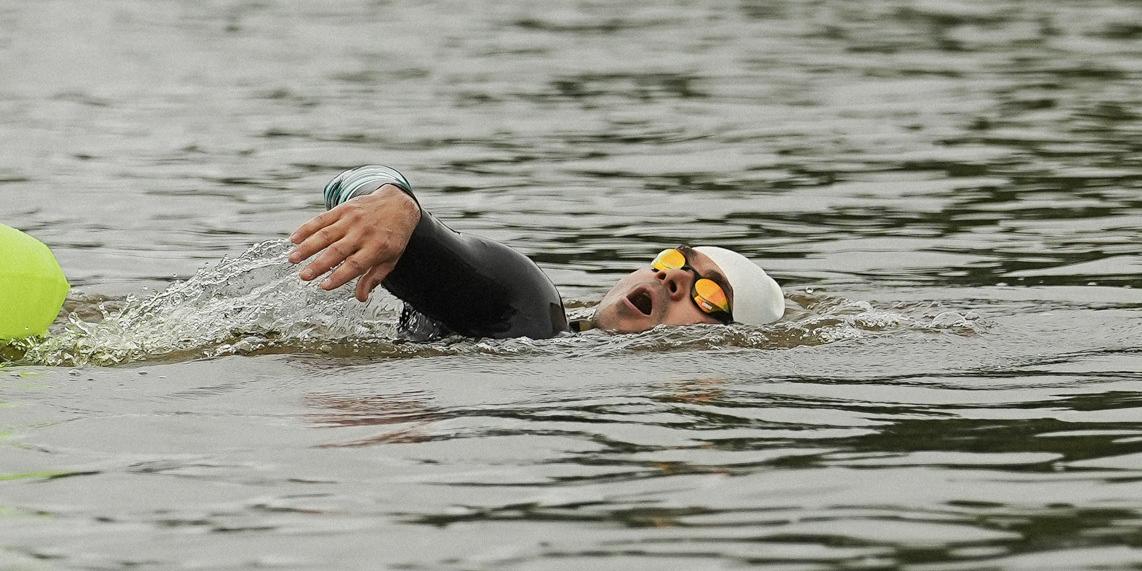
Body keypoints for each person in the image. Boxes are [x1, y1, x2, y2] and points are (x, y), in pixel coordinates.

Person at [287, 165, 784, 341]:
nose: (675, 281)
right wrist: (391, 197)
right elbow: (380, 205)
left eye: (710, 296)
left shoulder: (540, 334)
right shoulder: (533, 307)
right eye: (676, 261)